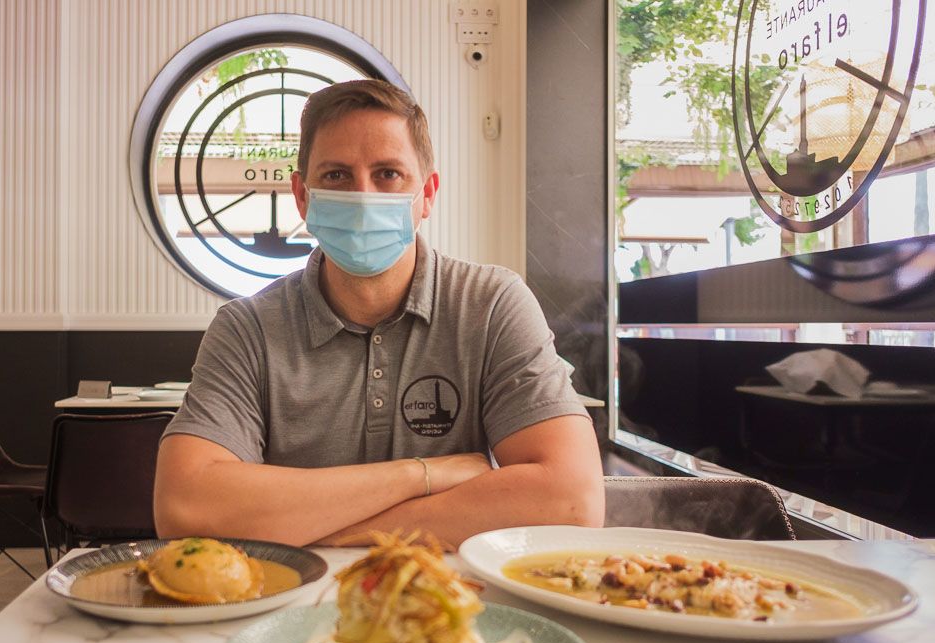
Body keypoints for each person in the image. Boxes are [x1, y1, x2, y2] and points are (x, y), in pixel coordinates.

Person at [154, 79, 604, 547]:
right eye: (336, 176)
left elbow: (573, 499)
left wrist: (329, 530)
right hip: (289, 606)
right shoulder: (247, 329)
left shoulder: (491, 304)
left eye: (388, 174)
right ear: (302, 196)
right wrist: (421, 474)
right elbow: (185, 506)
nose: (363, 196)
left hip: (454, 606)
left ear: (426, 194)